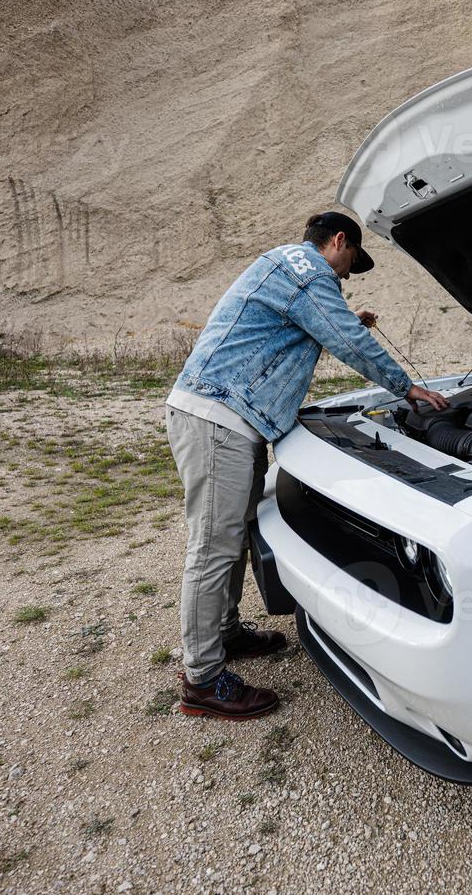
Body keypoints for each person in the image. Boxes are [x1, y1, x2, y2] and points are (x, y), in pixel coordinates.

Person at [164, 211, 450, 719]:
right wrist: (406, 388)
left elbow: (306, 329)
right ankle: (202, 681)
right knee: (213, 547)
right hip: (218, 420)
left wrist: (344, 321)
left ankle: (225, 634)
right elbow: (348, 342)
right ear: (338, 241)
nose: (343, 277)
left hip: (234, 418)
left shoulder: (288, 272)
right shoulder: (306, 269)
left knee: (234, 535)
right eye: (347, 265)